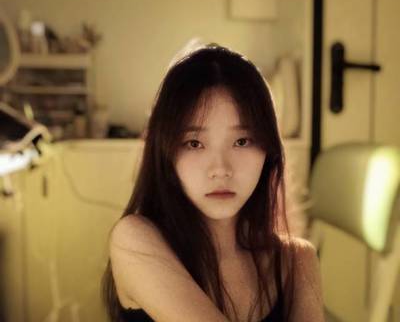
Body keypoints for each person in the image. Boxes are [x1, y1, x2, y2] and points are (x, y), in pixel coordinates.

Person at [101, 45, 325, 322]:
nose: (220, 170)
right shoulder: (135, 239)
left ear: (268, 151)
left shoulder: (297, 262)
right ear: (166, 153)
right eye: (194, 143)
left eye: (242, 141)